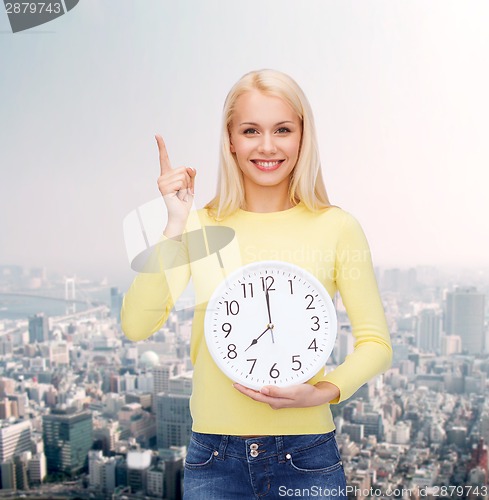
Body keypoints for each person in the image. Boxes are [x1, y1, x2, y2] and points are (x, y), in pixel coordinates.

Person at [121, 69, 392, 499]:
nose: (267, 146)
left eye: (282, 129)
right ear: (230, 139)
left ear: (303, 137)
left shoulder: (338, 227)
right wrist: (174, 222)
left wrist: (320, 393)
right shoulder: (198, 224)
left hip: (306, 456)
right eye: (251, 131)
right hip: (213, 459)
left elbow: (376, 342)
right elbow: (136, 324)